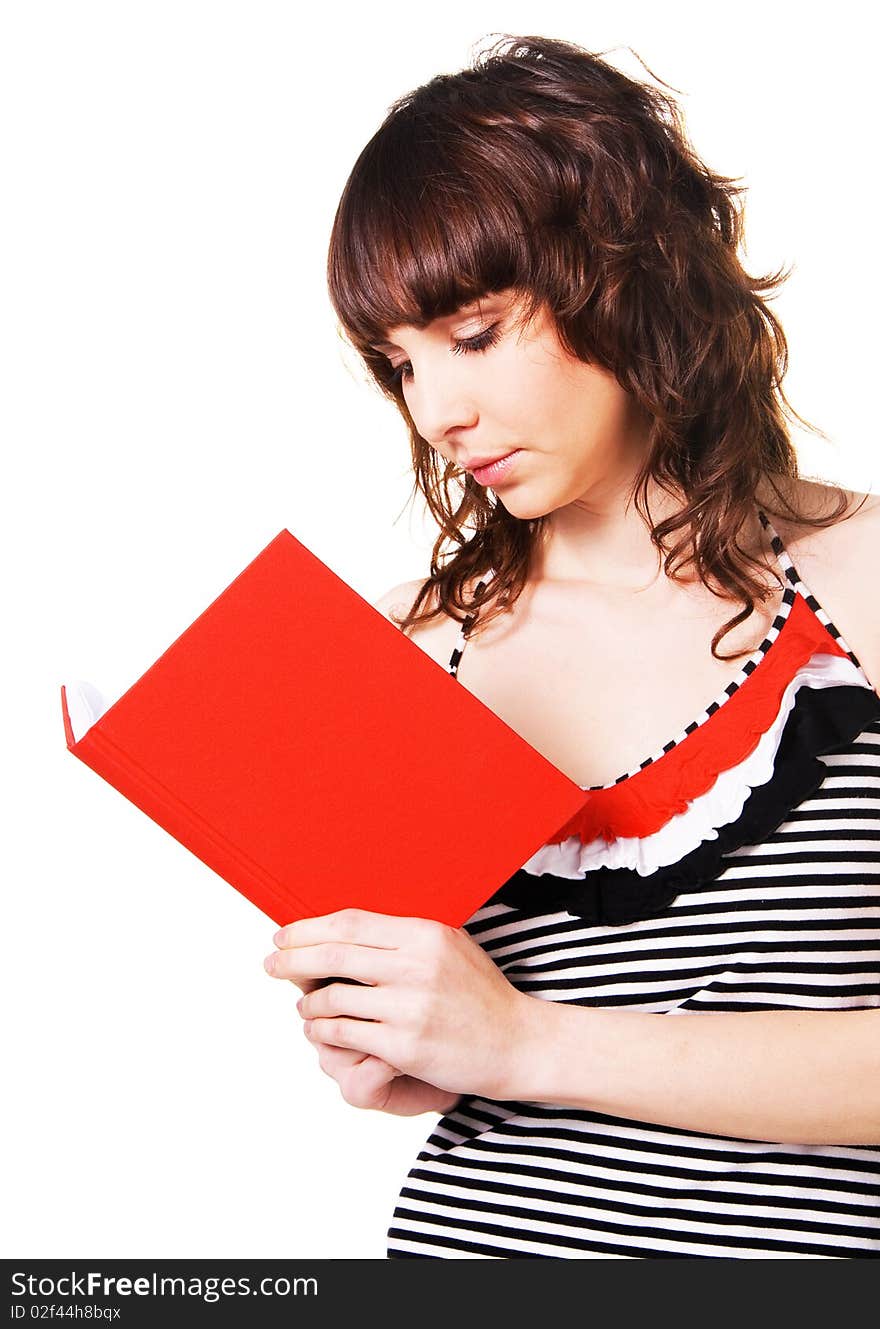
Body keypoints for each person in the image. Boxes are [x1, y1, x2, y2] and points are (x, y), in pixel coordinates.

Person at [263, 34, 880, 1257]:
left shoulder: (858, 584)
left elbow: (513, 1039)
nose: (438, 412)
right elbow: (433, 1063)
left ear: (627, 273)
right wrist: (388, 1042)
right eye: (401, 364)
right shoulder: (407, 649)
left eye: (474, 333)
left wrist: (521, 1039)